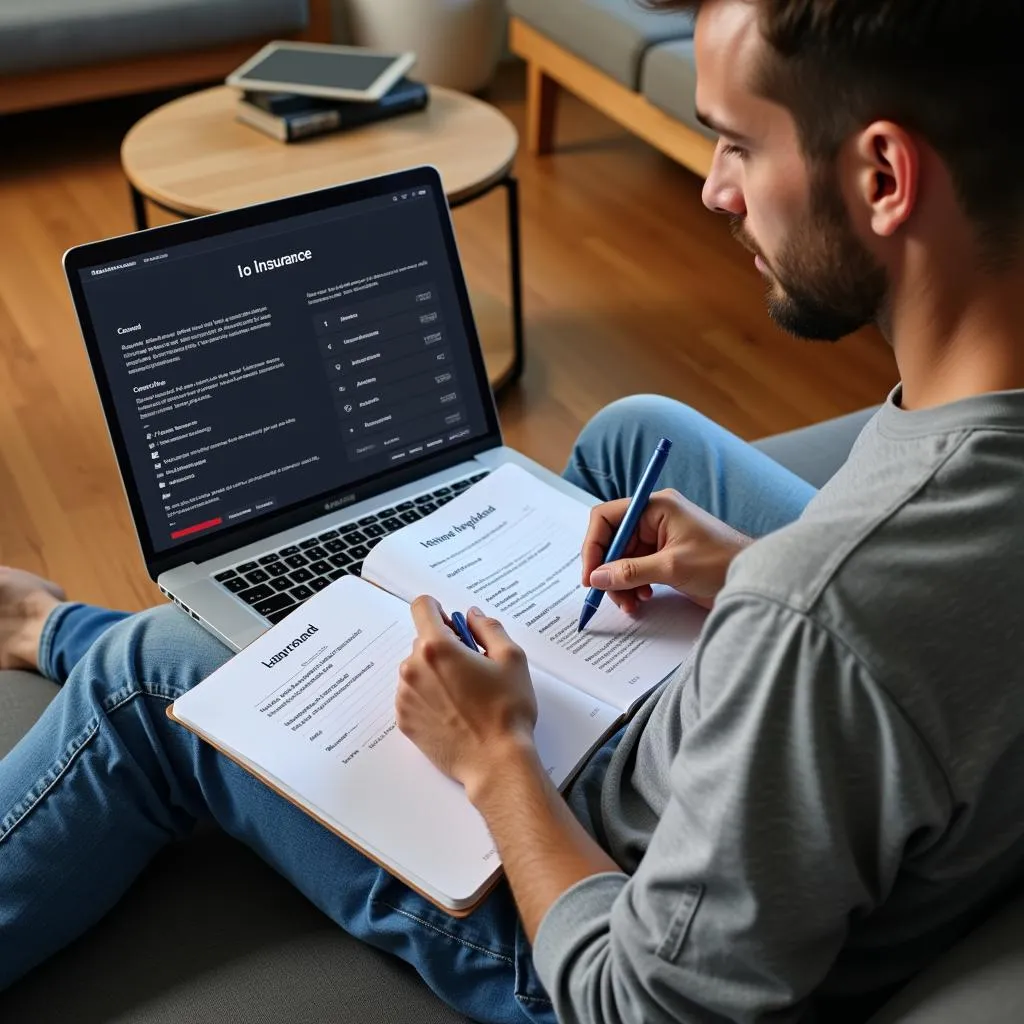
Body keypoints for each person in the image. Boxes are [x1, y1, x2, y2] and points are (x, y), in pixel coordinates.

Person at [3, 0, 1024, 1019]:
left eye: (734, 145)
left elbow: (645, 1003)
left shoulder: (818, 622)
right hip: (806, 730)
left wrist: (497, 759)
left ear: (883, 178)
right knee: (632, 428)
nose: (714, 189)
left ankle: (71, 633)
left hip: (608, 892)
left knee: (146, 675)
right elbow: (894, 637)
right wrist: (749, 569)